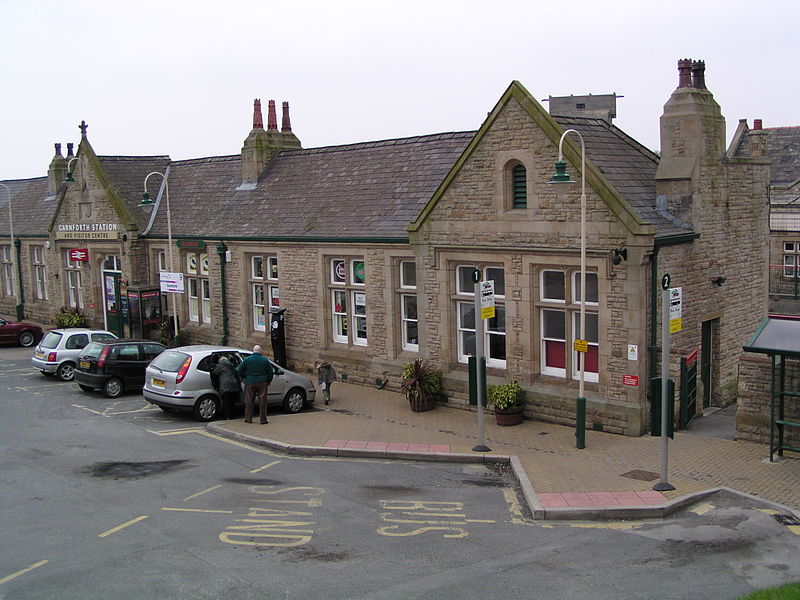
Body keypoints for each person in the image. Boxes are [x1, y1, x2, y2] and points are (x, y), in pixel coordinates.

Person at [236, 345, 274, 424]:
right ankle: (263, 419)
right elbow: (270, 372)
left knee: (249, 401)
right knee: (262, 401)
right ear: (260, 351)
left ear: (253, 351)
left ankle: (248, 418)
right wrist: (268, 380)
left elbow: (240, 370)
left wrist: (245, 377)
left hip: (250, 381)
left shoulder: (247, 360)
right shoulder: (265, 360)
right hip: (262, 382)